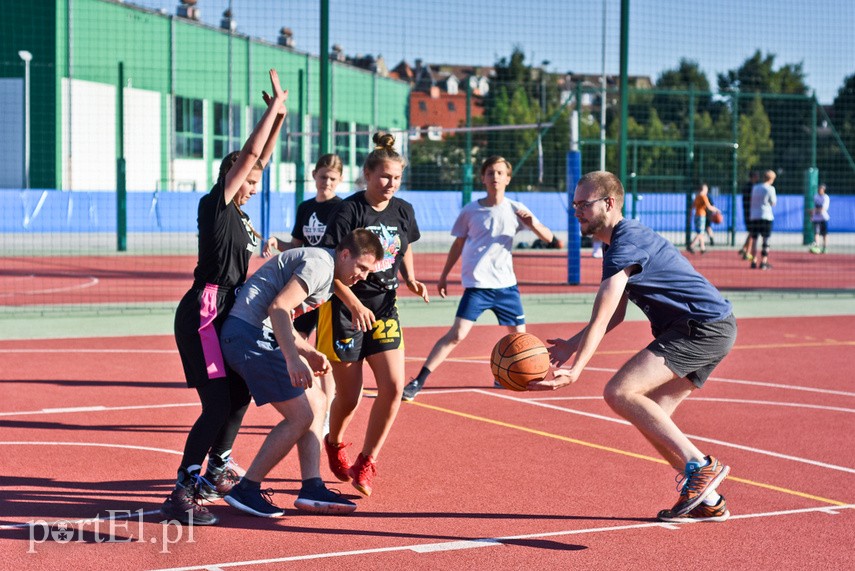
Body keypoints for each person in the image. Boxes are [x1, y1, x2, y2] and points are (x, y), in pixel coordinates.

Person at [529, 171, 736, 523]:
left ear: (609, 203)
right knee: (652, 411)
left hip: (701, 327)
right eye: (574, 204)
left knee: (619, 391)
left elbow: (605, 308)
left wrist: (577, 368)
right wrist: (572, 345)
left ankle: (701, 466)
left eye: (584, 204)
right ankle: (709, 498)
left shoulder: (625, 241)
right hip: (707, 326)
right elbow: (617, 314)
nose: (576, 211)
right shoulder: (615, 244)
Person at [163, 69, 287, 525]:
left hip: (227, 311)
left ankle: (216, 469)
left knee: (238, 396)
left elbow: (262, 159)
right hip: (204, 312)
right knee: (217, 403)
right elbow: (252, 154)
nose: (253, 186)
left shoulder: (241, 216)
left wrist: (281, 121)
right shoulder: (216, 206)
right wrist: (270, 110)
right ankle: (181, 492)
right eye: (247, 180)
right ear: (231, 177)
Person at [220, 230, 384, 517]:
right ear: (344, 254)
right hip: (247, 336)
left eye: (369, 271)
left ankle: (311, 486)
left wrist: (307, 352)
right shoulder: (321, 264)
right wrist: (292, 358)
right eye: (361, 267)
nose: (363, 276)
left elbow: (278, 317)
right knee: (301, 415)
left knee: (318, 402)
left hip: (257, 333)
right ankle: (247, 488)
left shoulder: (327, 270)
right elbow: (278, 308)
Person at [319, 132, 430, 497]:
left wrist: (410, 278)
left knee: (394, 387)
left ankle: (367, 460)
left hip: (384, 308)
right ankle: (334, 442)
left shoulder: (403, 210)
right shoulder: (348, 211)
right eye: (384, 176)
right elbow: (327, 269)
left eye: (396, 178)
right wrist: (353, 303)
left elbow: (405, 245)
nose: (391, 184)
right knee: (349, 396)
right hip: (345, 309)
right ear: (366, 174)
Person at [402, 156, 559, 401]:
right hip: (478, 286)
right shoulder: (471, 210)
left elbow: (549, 238)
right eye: (490, 173)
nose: (495, 177)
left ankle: (507, 375)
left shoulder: (516, 209)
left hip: (507, 286)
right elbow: (458, 244)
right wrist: (443, 276)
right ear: (483, 178)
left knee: (521, 341)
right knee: (457, 334)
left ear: (508, 178)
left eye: (499, 173)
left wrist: (532, 225)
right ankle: (419, 381)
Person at [263, 154, 345, 430]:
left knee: (325, 351)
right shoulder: (306, 207)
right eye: (323, 177)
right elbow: (297, 244)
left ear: (340, 180)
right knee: (297, 341)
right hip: (304, 286)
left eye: (333, 178)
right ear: (314, 175)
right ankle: (311, 401)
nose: (327, 182)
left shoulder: (341, 209)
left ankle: (328, 412)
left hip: (327, 286)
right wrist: (278, 242)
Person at [749, 169, 777, 270]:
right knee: (766, 240)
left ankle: (753, 260)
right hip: (766, 216)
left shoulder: (755, 187)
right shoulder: (770, 189)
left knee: (754, 239)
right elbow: (773, 202)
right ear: (772, 179)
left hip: (754, 216)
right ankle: (763, 261)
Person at [687, 183, 719, 254]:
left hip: (696, 216)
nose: (707, 190)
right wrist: (716, 210)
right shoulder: (704, 196)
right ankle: (691, 245)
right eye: (706, 189)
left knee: (700, 232)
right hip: (701, 216)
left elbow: (692, 207)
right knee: (700, 233)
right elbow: (709, 207)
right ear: (704, 189)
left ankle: (702, 248)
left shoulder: (697, 196)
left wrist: (690, 217)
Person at [738, 171, 759, 260]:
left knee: (751, 231)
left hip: (749, 211)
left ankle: (744, 248)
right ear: (752, 177)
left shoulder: (749, 186)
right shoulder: (751, 187)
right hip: (750, 212)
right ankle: (747, 252)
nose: (758, 178)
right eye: (756, 176)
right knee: (752, 232)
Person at [809, 184, 830, 254]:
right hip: (816, 219)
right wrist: (812, 215)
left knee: (825, 234)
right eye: (819, 189)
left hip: (824, 218)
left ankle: (825, 247)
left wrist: (814, 210)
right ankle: (817, 247)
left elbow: (823, 209)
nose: (820, 190)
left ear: (824, 190)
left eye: (821, 189)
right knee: (816, 233)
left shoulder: (826, 197)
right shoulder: (816, 196)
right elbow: (815, 207)